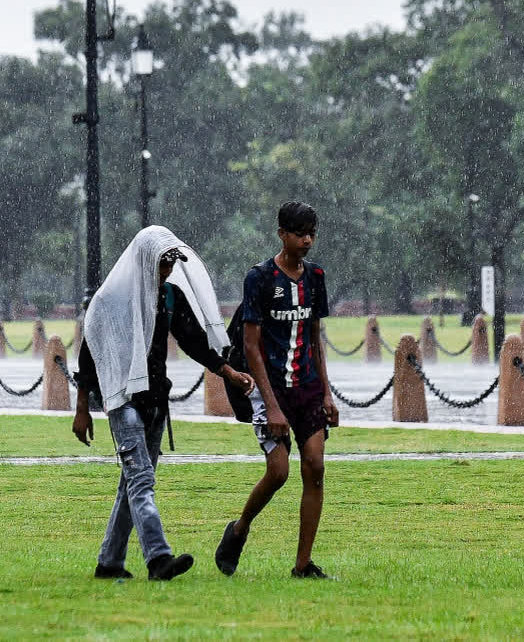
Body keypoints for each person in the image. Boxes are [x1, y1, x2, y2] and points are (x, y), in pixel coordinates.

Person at [72, 226, 254, 582]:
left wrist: (227, 372)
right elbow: (90, 353)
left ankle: (109, 562)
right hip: (124, 401)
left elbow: (194, 341)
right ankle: (159, 558)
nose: (167, 271)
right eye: (161, 264)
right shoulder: (113, 301)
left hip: (156, 402)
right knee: (141, 481)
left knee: (133, 483)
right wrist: (82, 409)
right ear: (143, 261)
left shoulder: (169, 297)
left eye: (171, 264)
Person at [215, 201, 340, 579]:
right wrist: (271, 406)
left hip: (308, 387)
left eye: (311, 233)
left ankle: (303, 565)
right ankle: (239, 529)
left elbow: (316, 337)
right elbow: (251, 346)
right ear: (281, 234)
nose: (307, 240)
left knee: (315, 466)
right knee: (279, 471)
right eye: (299, 233)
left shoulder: (315, 277)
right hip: (271, 389)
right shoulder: (260, 278)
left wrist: (327, 393)